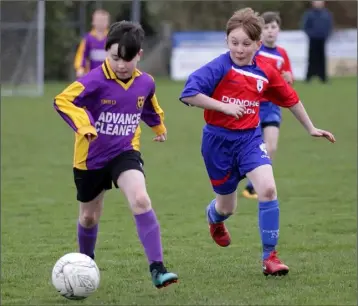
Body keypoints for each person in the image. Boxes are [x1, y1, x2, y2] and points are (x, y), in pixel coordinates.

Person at [179, 8, 335, 276]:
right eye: (234, 42)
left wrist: (311, 128)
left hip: (250, 139)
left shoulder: (266, 71)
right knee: (227, 207)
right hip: (218, 143)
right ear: (226, 41)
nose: (239, 49)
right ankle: (214, 218)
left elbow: (290, 98)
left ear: (258, 44)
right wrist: (223, 107)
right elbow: (189, 93)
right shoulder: (219, 67)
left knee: (268, 189)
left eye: (246, 44)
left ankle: (269, 257)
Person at [54, 20, 178, 289]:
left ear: (139, 56)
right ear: (107, 52)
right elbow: (62, 100)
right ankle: (85, 265)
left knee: (141, 199)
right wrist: (84, 125)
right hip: (90, 157)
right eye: (115, 58)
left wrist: (158, 126)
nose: (121, 65)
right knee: (89, 217)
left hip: (125, 151)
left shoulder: (145, 82)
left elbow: (148, 106)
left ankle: (158, 268)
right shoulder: (93, 80)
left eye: (128, 59)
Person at [243, 11, 294, 200]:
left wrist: (289, 78)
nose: (270, 31)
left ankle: (254, 185)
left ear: (279, 30)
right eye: (266, 27)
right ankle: (249, 181)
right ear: (260, 31)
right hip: (254, 106)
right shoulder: (256, 51)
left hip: (272, 106)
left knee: (270, 147)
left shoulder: (282, 54)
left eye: (274, 27)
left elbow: (288, 77)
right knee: (252, 146)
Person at [301, 1, 333, 83]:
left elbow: (329, 26)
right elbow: (305, 26)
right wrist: (311, 34)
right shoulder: (309, 14)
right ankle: (309, 77)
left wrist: (326, 34)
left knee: (322, 59)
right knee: (312, 58)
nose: (318, 3)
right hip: (313, 39)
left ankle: (323, 77)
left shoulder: (326, 14)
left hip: (322, 39)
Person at [74, 9, 110, 78]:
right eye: (98, 20)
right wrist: (80, 68)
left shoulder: (112, 38)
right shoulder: (88, 39)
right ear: (93, 22)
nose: (101, 23)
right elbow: (81, 55)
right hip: (92, 75)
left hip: (109, 75)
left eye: (103, 20)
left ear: (107, 22)